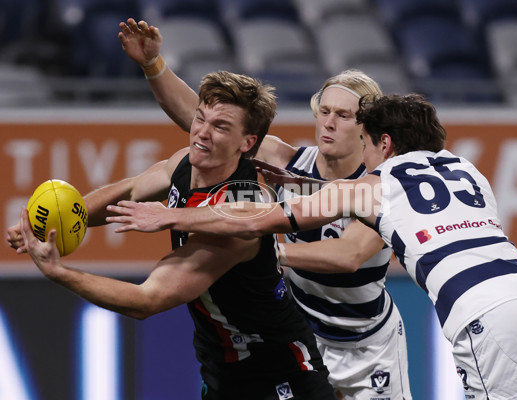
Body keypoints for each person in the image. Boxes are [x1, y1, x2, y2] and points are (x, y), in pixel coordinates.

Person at [107, 94, 517, 400]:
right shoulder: (467, 168)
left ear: (384, 143)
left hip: (482, 308)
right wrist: (305, 183)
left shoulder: (375, 184)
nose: (363, 155)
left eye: (365, 143)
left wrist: (174, 215)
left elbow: (265, 218)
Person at [118, 18, 412, 400]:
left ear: (365, 127)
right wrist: (154, 65)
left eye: (343, 116)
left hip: (365, 343)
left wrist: (263, 251)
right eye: (323, 111)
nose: (329, 123)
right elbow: (204, 119)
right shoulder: (288, 161)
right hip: (302, 334)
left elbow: (347, 255)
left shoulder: (380, 185)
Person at [7, 71, 336, 400]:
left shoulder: (238, 220)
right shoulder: (185, 162)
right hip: (223, 373)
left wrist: (59, 272)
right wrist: (55, 225)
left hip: (281, 377)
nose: (201, 134)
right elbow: (131, 190)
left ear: (247, 143)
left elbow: (146, 300)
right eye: (200, 118)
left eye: (220, 127)